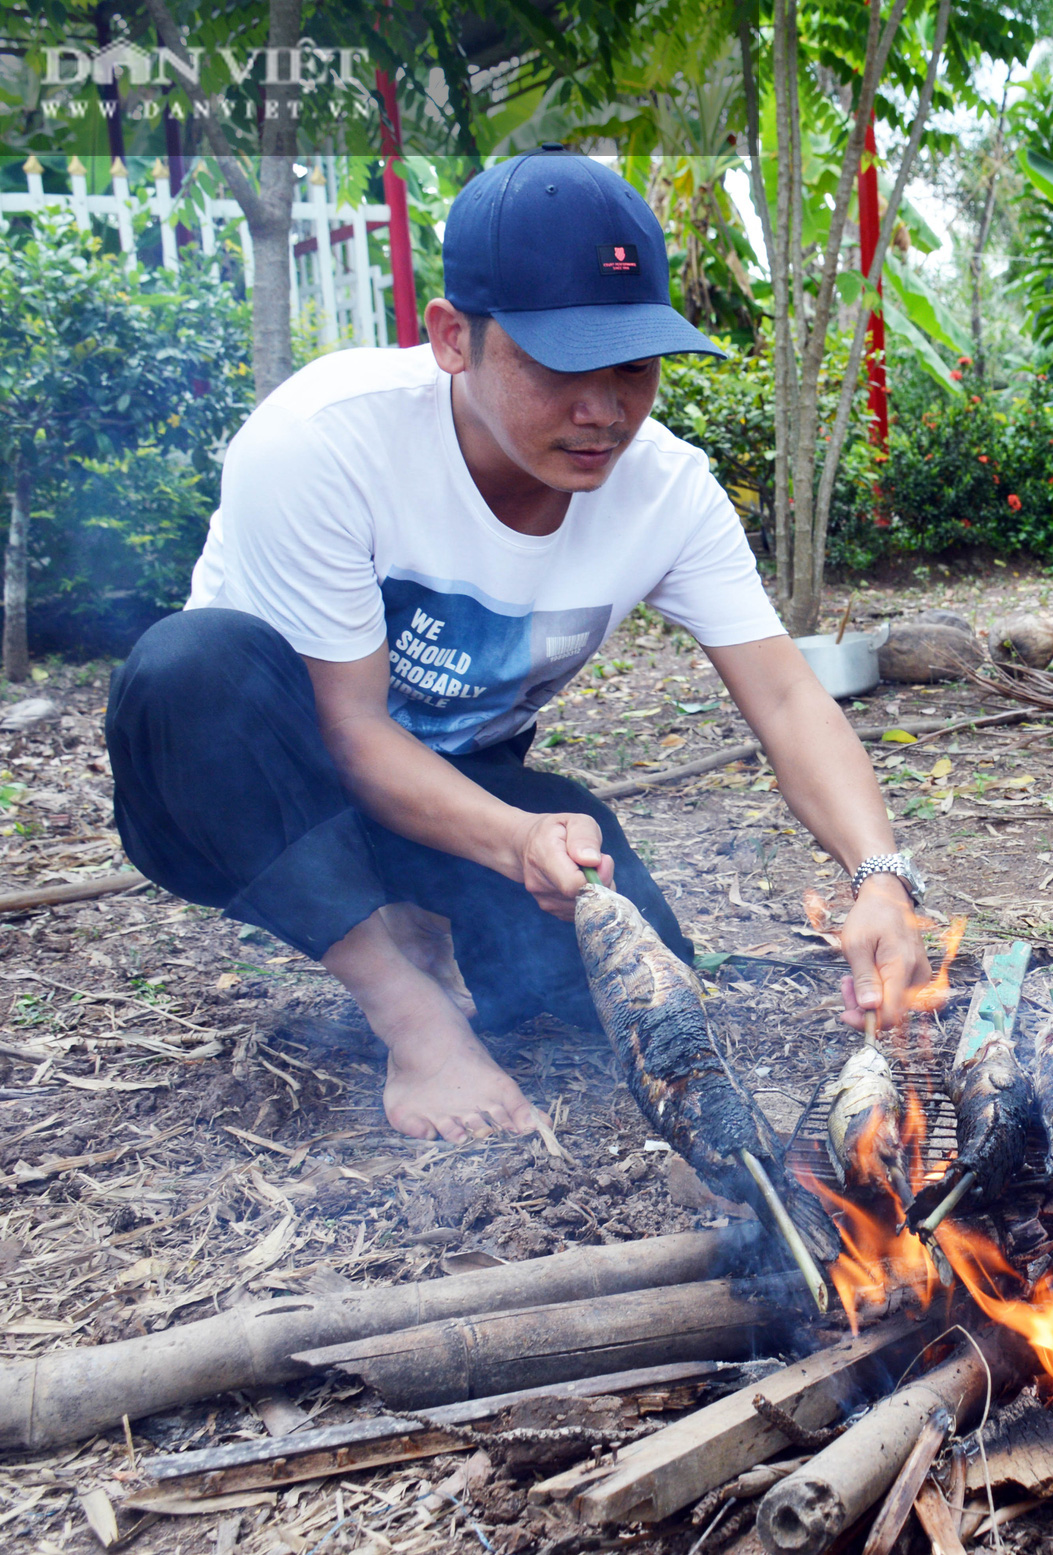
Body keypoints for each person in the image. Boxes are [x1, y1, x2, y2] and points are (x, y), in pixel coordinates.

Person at [105, 145, 931, 1143]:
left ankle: (419, 913)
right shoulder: (325, 443)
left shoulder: (666, 489)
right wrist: (513, 842)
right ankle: (407, 1011)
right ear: (453, 337)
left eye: (632, 367)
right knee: (185, 667)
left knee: (623, 990)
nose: (604, 410)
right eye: (560, 367)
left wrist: (877, 876)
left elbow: (791, 699)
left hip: (451, 787)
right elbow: (353, 735)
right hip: (263, 787)